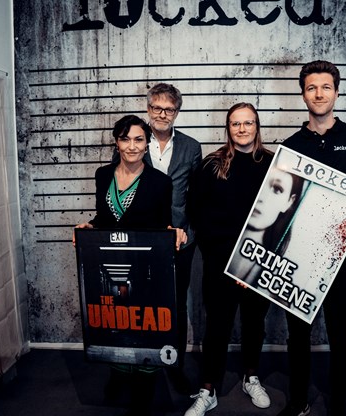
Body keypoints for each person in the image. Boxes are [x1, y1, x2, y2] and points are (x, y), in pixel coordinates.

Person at [277, 60, 346, 416]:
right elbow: (281, 203)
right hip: (299, 255)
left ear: (336, 92)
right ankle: (298, 401)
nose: (319, 93)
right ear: (303, 95)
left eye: (326, 87)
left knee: (340, 333)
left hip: (342, 254)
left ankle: (338, 403)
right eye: (312, 88)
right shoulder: (291, 146)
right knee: (298, 334)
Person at [74, 115, 186, 416]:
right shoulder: (102, 175)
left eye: (138, 139)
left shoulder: (160, 182)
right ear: (116, 142)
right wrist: (90, 227)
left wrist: (175, 232)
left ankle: (144, 388)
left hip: (144, 268)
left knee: (144, 325)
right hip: (110, 265)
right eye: (125, 139)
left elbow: (164, 224)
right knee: (116, 321)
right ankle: (119, 373)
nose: (132, 146)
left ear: (146, 143)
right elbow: (104, 217)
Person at [184, 103, 274, 416]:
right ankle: (208, 390)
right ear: (228, 128)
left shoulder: (274, 164)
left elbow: (281, 219)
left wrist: (251, 263)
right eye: (236, 123)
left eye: (248, 123)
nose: (242, 129)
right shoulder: (212, 164)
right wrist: (228, 261)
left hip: (260, 262)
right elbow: (197, 213)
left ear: (257, 126)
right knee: (217, 327)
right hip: (220, 263)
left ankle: (251, 377)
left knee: (254, 324)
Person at [143, 82, 202, 394]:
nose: (162, 114)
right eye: (157, 107)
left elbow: (197, 194)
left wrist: (188, 229)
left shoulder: (191, 147)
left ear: (177, 112)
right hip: (144, 239)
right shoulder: (134, 140)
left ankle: (175, 365)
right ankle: (143, 366)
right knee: (144, 304)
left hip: (181, 240)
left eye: (169, 109)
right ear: (148, 109)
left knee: (176, 306)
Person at [227, 167, 305, 285]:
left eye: (277, 189)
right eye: (259, 182)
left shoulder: (276, 275)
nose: (261, 197)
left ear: (289, 202)